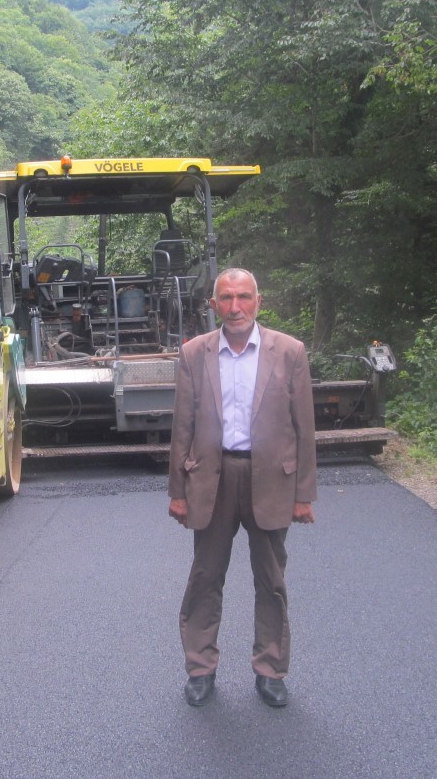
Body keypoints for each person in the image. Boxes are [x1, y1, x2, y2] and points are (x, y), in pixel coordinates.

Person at [167, 267, 317, 708]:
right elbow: (182, 427)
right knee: (205, 578)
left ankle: (270, 670)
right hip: (211, 478)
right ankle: (201, 669)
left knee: (271, 580)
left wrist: (304, 494)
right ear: (213, 304)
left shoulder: (289, 352)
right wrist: (177, 490)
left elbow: (304, 429)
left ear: (259, 301)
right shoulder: (195, 353)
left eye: (244, 297)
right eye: (226, 298)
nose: (236, 307)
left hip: (272, 479)